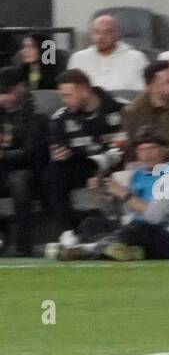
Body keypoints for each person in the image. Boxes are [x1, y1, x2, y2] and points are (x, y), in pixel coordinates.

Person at [56, 127, 169, 262]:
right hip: (137, 231)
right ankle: (129, 251)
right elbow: (129, 216)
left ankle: (85, 249)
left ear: (163, 150)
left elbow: (155, 217)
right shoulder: (138, 176)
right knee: (91, 224)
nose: (147, 154)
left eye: (152, 148)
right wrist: (106, 193)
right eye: (142, 149)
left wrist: (123, 193)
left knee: (140, 229)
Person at [42, 70, 128, 240]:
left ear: (84, 89)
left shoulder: (120, 108)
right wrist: (57, 154)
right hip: (83, 166)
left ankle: (123, 228)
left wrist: (100, 173)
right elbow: (60, 150)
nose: (64, 101)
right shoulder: (61, 118)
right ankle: (67, 233)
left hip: (117, 164)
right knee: (52, 173)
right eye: (62, 96)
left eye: (68, 95)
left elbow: (125, 148)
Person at [0, 67, 49, 256]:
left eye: (7, 92)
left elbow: (30, 153)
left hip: (30, 173)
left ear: (22, 88)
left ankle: (23, 247)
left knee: (19, 180)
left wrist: (3, 155)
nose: (3, 98)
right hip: (3, 172)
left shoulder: (38, 117)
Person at [67, 16, 149, 93]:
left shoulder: (136, 58)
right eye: (96, 32)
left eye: (107, 32)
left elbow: (143, 93)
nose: (101, 37)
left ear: (117, 34)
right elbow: (70, 92)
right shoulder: (78, 58)